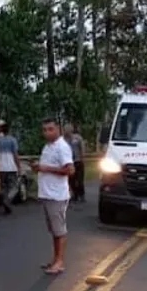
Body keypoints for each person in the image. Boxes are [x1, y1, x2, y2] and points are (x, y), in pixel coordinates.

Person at [32, 117, 74, 275]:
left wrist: (45, 168)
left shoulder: (61, 147)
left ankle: (60, 262)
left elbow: (70, 170)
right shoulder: (48, 147)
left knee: (59, 230)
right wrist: (40, 167)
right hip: (47, 194)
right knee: (54, 231)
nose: (47, 133)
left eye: (50, 129)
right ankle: (55, 259)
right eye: (44, 130)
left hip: (57, 196)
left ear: (58, 129)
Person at [0, 120, 20, 214]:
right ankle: (8, 199)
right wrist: (19, 166)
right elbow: (15, 155)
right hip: (10, 167)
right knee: (14, 187)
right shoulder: (12, 140)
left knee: (3, 187)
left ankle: (7, 205)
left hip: (0, 167)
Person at [63, 123, 86, 202]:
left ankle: (82, 195)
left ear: (71, 130)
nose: (66, 132)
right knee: (71, 180)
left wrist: (82, 157)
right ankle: (75, 195)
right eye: (65, 130)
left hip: (78, 161)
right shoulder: (63, 140)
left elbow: (82, 148)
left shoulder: (77, 138)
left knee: (80, 180)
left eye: (68, 130)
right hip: (69, 162)